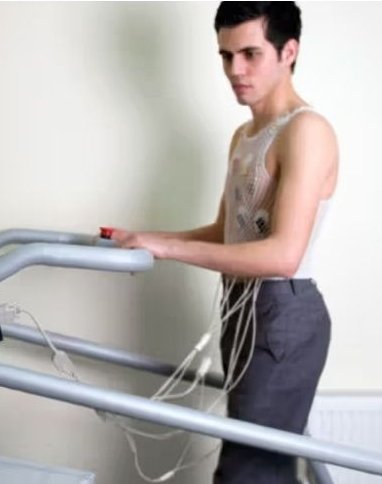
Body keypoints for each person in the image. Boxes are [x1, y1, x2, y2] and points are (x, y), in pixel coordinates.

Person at [107, 2, 338, 483]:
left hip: (283, 312)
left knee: (247, 473)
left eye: (250, 53)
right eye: (226, 56)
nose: (236, 70)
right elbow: (224, 233)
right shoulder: (245, 135)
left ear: (288, 51)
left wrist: (168, 250)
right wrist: (148, 239)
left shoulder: (306, 132)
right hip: (243, 307)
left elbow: (283, 254)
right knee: (261, 464)